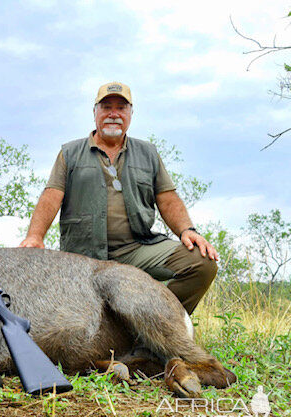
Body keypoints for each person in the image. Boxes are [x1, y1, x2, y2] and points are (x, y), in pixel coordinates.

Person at [19, 82, 218, 314]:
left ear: (131, 114)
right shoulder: (70, 153)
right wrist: (34, 237)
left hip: (137, 248)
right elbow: (52, 195)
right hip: (83, 256)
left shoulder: (148, 153)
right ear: (95, 113)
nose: (113, 114)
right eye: (106, 107)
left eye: (121, 108)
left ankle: (155, 326)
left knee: (202, 264)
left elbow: (168, 198)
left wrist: (187, 230)